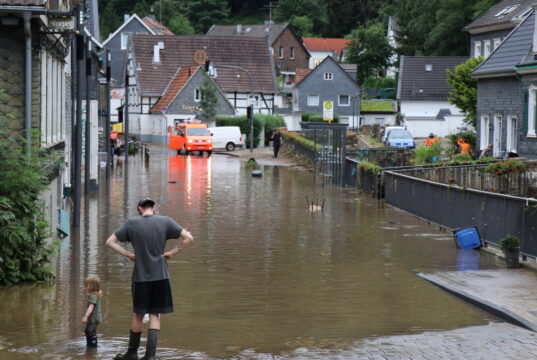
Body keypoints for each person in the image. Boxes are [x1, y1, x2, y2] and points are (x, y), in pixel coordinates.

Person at [106, 198, 194, 360]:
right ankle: (150, 356)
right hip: (161, 275)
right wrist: (172, 253)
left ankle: (132, 353)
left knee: (138, 315)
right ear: (154, 208)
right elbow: (188, 238)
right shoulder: (166, 221)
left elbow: (110, 242)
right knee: (155, 315)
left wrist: (129, 255)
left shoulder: (131, 223)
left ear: (139, 208)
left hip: (140, 277)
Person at [82, 275, 102, 348]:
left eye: (86, 285)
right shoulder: (96, 295)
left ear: (92, 286)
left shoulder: (92, 296)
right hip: (96, 317)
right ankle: (91, 345)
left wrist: (86, 316)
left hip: (93, 318)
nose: (85, 287)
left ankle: (92, 346)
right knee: (91, 331)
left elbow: (91, 307)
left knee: (89, 332)